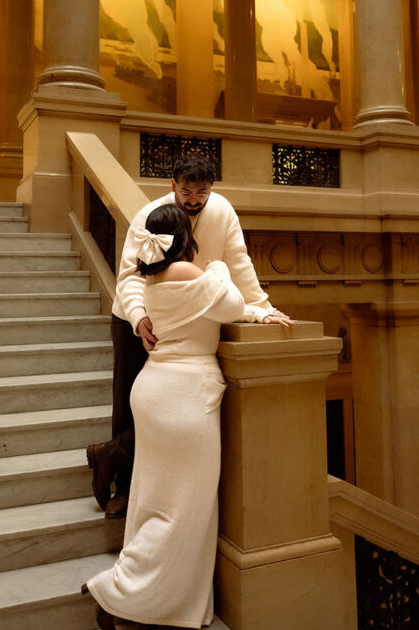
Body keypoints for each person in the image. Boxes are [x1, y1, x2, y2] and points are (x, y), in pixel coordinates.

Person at [86, 153, 292, 519]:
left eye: (202, 192)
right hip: (137, 317)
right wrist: (139, 318)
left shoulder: (223, 211)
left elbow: (239, 263)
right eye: (187, 191)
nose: (195, 199)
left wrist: (263, 308)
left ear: (211, 188)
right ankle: (123, 488)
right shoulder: (151, 216)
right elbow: (132, 276)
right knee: (129, 403)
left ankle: (111, 453)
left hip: (186, 312)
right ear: (173, 185)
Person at [81, 203, 246, 630]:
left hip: (153, 392)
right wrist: (218, 270)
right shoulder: (193, 275)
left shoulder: (149, 279)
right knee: (184, 511)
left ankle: (136, 589)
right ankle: (119, 593)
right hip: (185, 399)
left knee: (151, 502)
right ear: (185, 237)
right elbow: (234, 306)